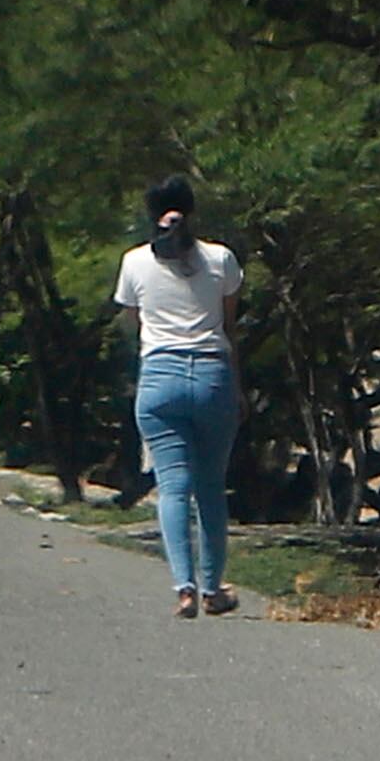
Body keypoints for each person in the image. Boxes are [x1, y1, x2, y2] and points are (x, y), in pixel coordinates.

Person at [116, 174, 247, 618]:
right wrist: (237, 385)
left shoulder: (133, 263)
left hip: (158, 378)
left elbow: (136, 323)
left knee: (173, 487)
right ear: (192, 212)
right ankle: (213, 590)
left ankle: (184, 589)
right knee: (211, 486)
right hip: (212, 376)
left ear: (151, 217)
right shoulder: (221, 259)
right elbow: (229, 326)